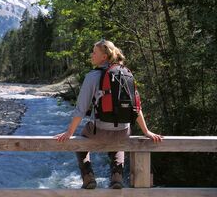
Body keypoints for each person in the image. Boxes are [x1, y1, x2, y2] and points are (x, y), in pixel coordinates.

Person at [55, 40, 163, 189]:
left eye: (94, 52)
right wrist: (146, 131)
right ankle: (116, 176)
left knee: (80, 140)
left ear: (104, 57)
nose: (91, 55)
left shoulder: (92, 76)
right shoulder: (127, 74)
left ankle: (88, 177)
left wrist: (69, 133)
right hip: (123, 132)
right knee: (118, 146)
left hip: (99, 131)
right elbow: (136, 107)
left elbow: (81, 109)